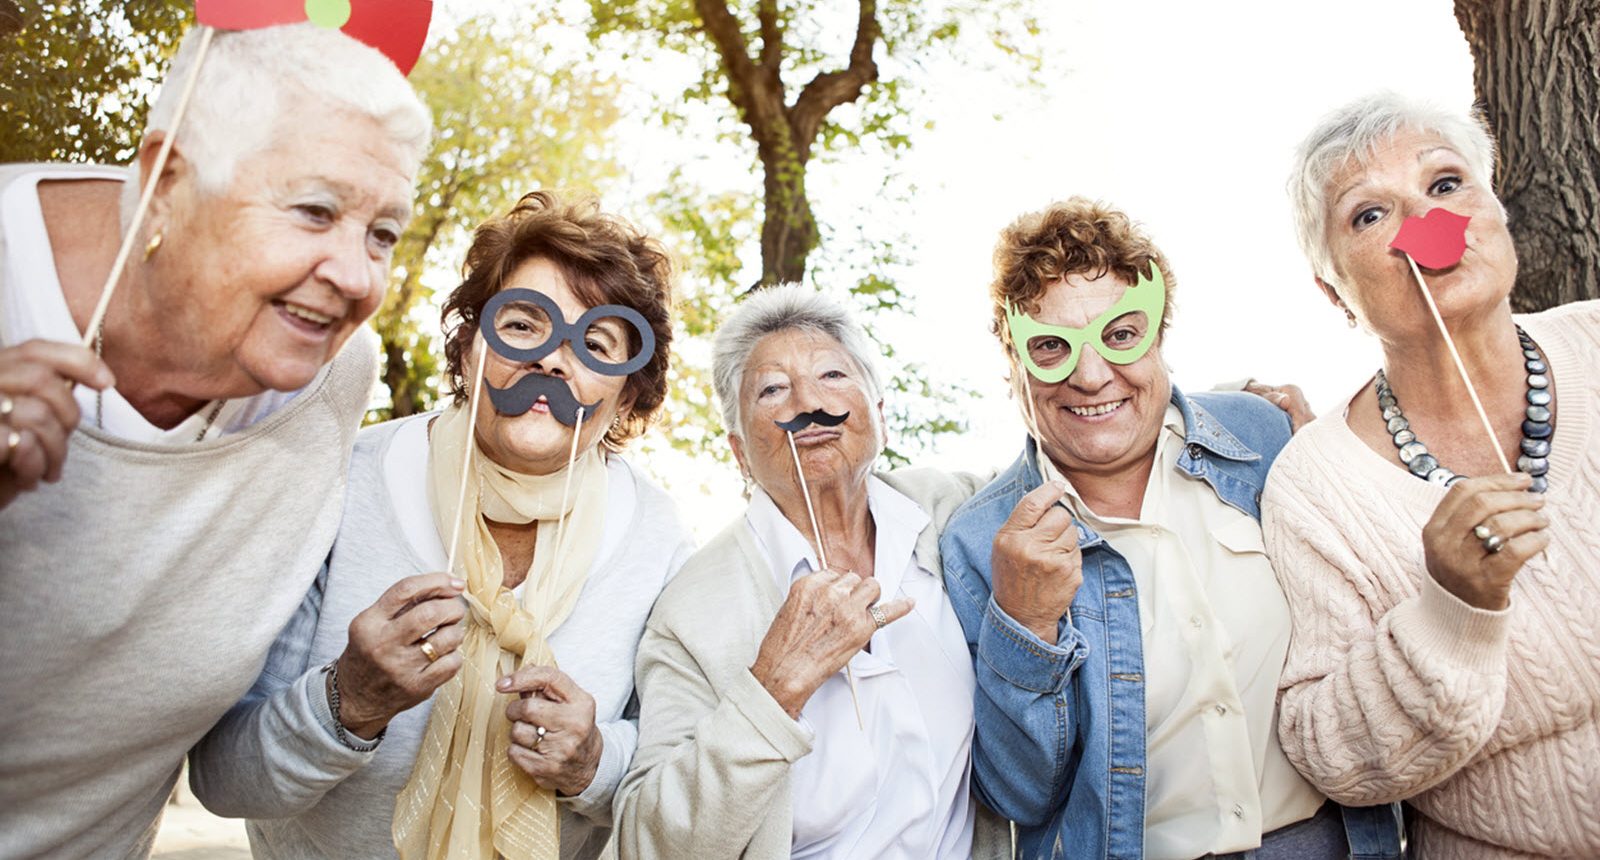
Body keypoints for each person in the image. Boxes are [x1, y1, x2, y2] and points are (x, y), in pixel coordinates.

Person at [0, 23, 429, 858]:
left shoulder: (336, 373)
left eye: (383, 233)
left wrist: (355, 698)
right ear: (165, 182)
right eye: (315, 211)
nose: (356, 277)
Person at [188, 190, 692, 860]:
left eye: (595, 343)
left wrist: (591, 761)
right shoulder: (340, 483)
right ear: (465, 352)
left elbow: (679, 776)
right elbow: (222, 777)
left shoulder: (657, 541)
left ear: (627, 392)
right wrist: (348, 702)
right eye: (523, 325)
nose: (551, 360)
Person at [939, 199, 1401, 859]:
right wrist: (1024, 627)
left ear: (1159, 336)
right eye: (1050, 347)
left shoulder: (1261, 437)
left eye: (1121, 335)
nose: (1090, 374)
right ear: (1011, 359)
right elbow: (1017, 795)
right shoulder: (978, 544)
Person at [1263, 93, 1600, 858]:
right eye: (1369, 216)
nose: (1424, 229)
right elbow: (1331, 757)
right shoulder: (1314, 486)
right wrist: (1451, 610)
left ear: (1496, 212)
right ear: (1333, 292)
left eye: (1445, 186)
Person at [613, 285, 1010, 859]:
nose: (806, 402)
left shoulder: (952, 512)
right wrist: (774, 691)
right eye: (772, 389)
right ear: (741, 453)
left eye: (832, 376)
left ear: (881, 416)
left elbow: (1071, 475)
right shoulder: (692, 612)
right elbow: (644, 843)